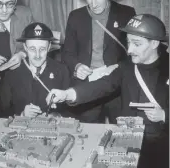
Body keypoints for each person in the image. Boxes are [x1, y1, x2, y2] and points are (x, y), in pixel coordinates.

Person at [47, 14, 169, 168]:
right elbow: (103, 85)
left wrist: (165, 115)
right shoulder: (126, 67)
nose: (130, 50)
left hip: (160, 146)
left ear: (154, 43)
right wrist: (68, 94)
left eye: (137, 44)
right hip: (128, 141)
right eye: (128, 42)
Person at [62, 0, 136, 123]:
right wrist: (77, 66)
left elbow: (134, 52)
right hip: (87, 85)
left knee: (120, 132)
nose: (93, 4)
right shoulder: (75, 16)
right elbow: (67, 52)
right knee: (88, 132)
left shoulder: (126, 13)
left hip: (117, 85)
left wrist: (118, 67)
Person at [0, 22, 72, 118]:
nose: (37, 55)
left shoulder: (62, 71)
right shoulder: (12, 72)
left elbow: (70, 108)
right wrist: (21, 115)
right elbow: (2, 110)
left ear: (49, 47)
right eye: (32, 49)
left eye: (42, 49)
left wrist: (57, 115)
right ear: (25, 47)